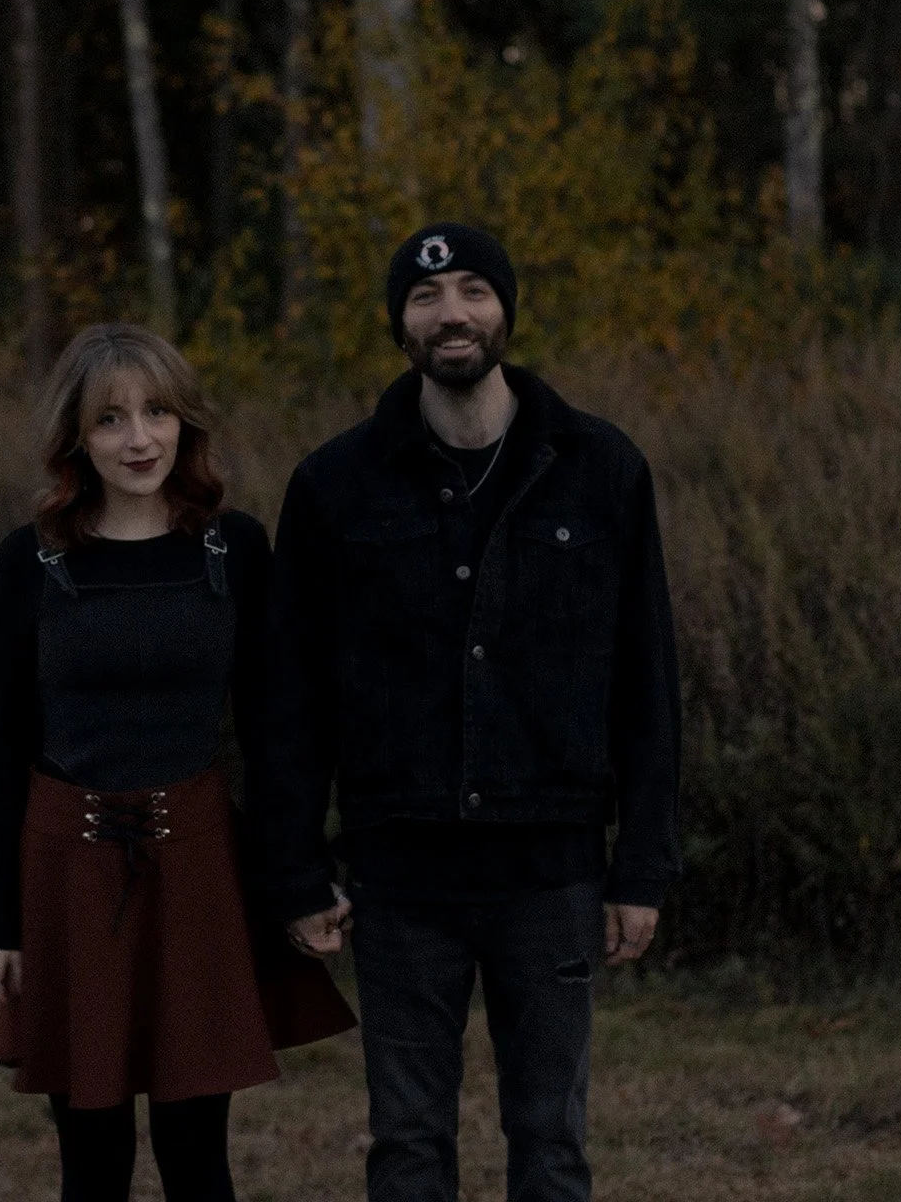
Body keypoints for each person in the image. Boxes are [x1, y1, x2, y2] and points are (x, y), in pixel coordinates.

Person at [251, 223, 681, 1202]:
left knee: (552, 1142)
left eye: (475, 292)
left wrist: (642, 864)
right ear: (400, 325)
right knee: (406, 1145)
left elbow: (647, 682)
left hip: (554, 873)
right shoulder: (333, 487)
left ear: (506, 310)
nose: (453, 314)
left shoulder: (602, 469)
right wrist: (295, 869)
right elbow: (292, 698)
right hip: (401, 882)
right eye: (427, 297)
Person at [0, 323, 354, 1202]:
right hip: (67, 870)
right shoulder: (29, 561)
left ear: (186, 422)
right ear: (76, 436)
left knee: (196, 1152)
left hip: (197, 870)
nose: (139, 439)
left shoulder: (234, 548)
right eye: (110, 419)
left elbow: (275, 734)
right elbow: (7, 747)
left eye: (156, 412)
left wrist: (298, 880)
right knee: (91, 1158)